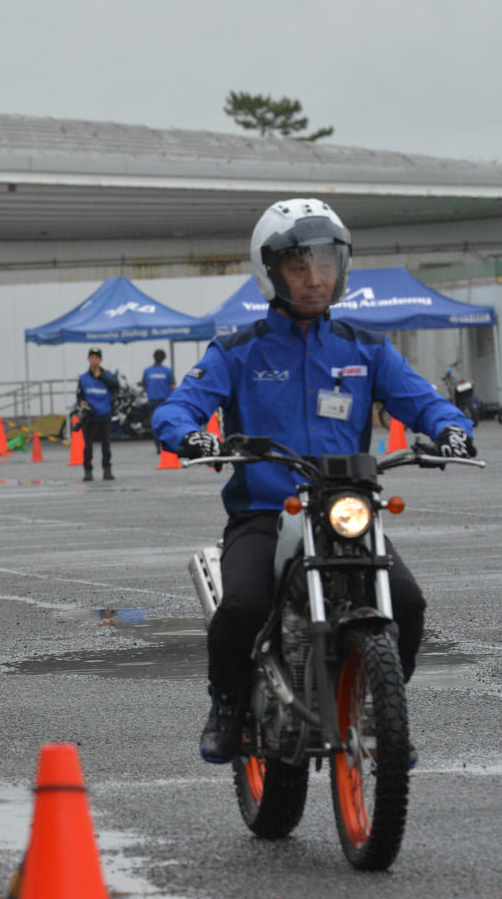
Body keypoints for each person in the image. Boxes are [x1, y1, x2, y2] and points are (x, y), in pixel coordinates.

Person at [152, 198, 477, 764]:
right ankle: (227, 704)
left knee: (408, 601)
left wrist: (451, 428)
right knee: (243, 607)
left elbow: (424, 401)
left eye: (325, 266)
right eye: (300, 267)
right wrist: (189, 436)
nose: (314, 279)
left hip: (344, 505)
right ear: (271, 272)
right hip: (264, 511)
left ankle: (383, 703)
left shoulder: (365, 349)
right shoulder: (237, 351)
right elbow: (179, 407)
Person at [76, 346, 120, 481]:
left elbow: (116, 385)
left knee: (105, 445)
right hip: (90, 416)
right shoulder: (83, 378)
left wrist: (101, 376)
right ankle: (88, 471)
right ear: (89, 359)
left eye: (96, 358)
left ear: (100, 360)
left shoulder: (108, 375)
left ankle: (107, 470)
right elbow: (79, 394)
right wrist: (81, 402)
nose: (94, 360)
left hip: (104, 414)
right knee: (88, 446)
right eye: (92, 357)